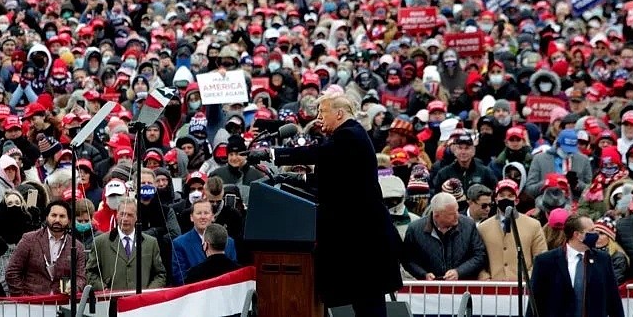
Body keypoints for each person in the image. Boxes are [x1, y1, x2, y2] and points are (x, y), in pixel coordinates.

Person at [250, 93, 402, 314]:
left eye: (323, 112)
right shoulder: (346, 137)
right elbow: (336, 178)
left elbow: (318, 153)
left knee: (369, 303)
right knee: (364, 302)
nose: (319, 117)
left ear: (339, 113)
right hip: (358, 239)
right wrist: (296, 179)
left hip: (364, 239)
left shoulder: (349, 135)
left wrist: (273, 153)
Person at [528, 214, 624, 317]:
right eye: (591, 231)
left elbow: (613, 300)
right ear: (577, 234)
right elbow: (535, 301)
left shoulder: (603, 260)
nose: (596, 234)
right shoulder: (545, 261)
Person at [5, 200, 86, 296]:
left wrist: (74, 288)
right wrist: (22, 297)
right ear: (47, 217)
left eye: (62, 216)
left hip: (62, 303)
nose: (57, 220)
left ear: (69, 220)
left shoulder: (77, 247)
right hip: (31, 304)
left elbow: (81, 277)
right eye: (54, 215)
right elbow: (12, 272)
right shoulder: (29, 239)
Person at [402, 193, 487, 281]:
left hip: (462, 286)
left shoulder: (468, 225)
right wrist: (423, 274)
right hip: (429, 289)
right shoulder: (415, 229)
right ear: (436, 216)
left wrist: (459, 272)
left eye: (457, 211)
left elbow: (479, 256)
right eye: (451, 214)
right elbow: (408, 260)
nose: (457, 216)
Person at [86, 198, 166, 290]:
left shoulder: (150, 243)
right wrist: (104, 289)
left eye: (130, 215)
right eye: (122, 214)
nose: (125, 219)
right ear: (117, 215)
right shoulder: (100, 242)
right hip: (112, 301)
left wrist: (148, 292)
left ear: (136, 217)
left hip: (141, 301)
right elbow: (90, 272)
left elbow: (160, 274)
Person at [477, 180, 548, 280]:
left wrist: (527, 279)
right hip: (493, 288)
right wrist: (486, 279)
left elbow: (541, 258)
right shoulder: (483, 228)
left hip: (523, 288)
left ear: (516, 200)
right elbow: (477, 260)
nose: (506, 199)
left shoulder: (534, 225)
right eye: (501, 195)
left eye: (510, 196)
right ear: (496, 199)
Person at [171, 199, 237, 286]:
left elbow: (234, 273)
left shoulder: (229, 242)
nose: (202, 217)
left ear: (213, 216)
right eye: (198, 213)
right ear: (191, 217)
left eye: (206, 213)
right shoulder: (180, 244)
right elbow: (180, 278)